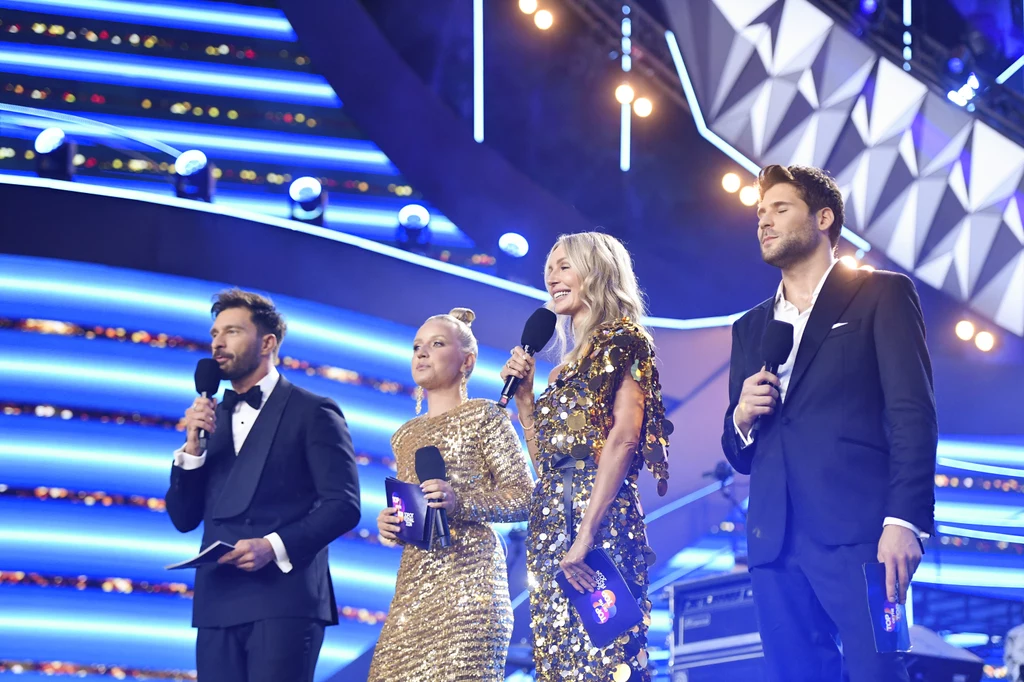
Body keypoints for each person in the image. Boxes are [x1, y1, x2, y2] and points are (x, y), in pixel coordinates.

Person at [721, 165, 938, 682]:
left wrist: (904, 521)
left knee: (878, 673)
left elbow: (913, 412)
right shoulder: (749, 327)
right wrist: (741, 417)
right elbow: (738, 451)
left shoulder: (881, 294)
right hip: (774, 540)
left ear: (823, 218)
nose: (764, 222)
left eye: (780, 209)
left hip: (862, 537)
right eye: (759, 214)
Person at [166, 289, 361, 682]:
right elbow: (184, 518)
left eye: (233, 331)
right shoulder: (209, 419)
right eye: (215, 333)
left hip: (285, 598)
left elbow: (343, 505)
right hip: (216, 601)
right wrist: (192, 449)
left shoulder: (313, 410)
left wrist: (272, 547)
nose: (218, 343)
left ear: (267, 342)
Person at [501, 232, 672, 682]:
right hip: (549, 533)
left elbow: (624, 439)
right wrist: (524, 405)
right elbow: (548, 470)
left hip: (601, 527)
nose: (551, 276)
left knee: (607, 660)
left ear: (596, 272)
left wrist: (586, 535)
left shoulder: (625, 341)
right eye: (549, 268)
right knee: (559, 665)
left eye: (563, 265)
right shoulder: (559, 371)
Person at [369, 308, 533, 682]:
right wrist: (393, 525)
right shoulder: (404, 435)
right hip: (412, 591)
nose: (422, 353)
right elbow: (416, 510)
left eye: (436, 344)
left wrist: (461, 501)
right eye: (416, 347)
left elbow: (525, 496)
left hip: (470, 591)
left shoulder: (486, 417)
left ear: (467, 360)